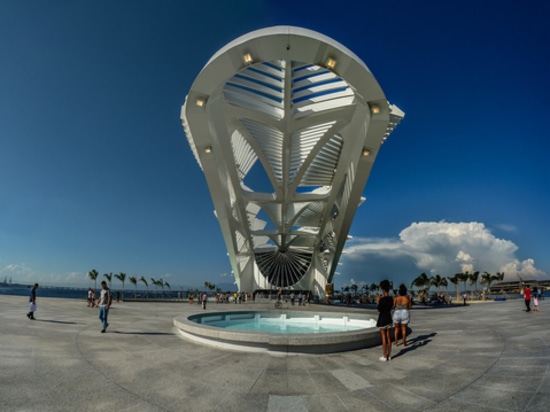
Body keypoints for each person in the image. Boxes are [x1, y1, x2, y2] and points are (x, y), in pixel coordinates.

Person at [376, 279, 394, 361]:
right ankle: (389, 355)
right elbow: (391, 307)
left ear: (382, 289)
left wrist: (378, 301)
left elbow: (379, 309)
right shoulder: (391, 299)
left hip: (382, 319)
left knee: (383, 337)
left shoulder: (382, 299)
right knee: (389, 338)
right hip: (389, 319)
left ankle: (384, 356)